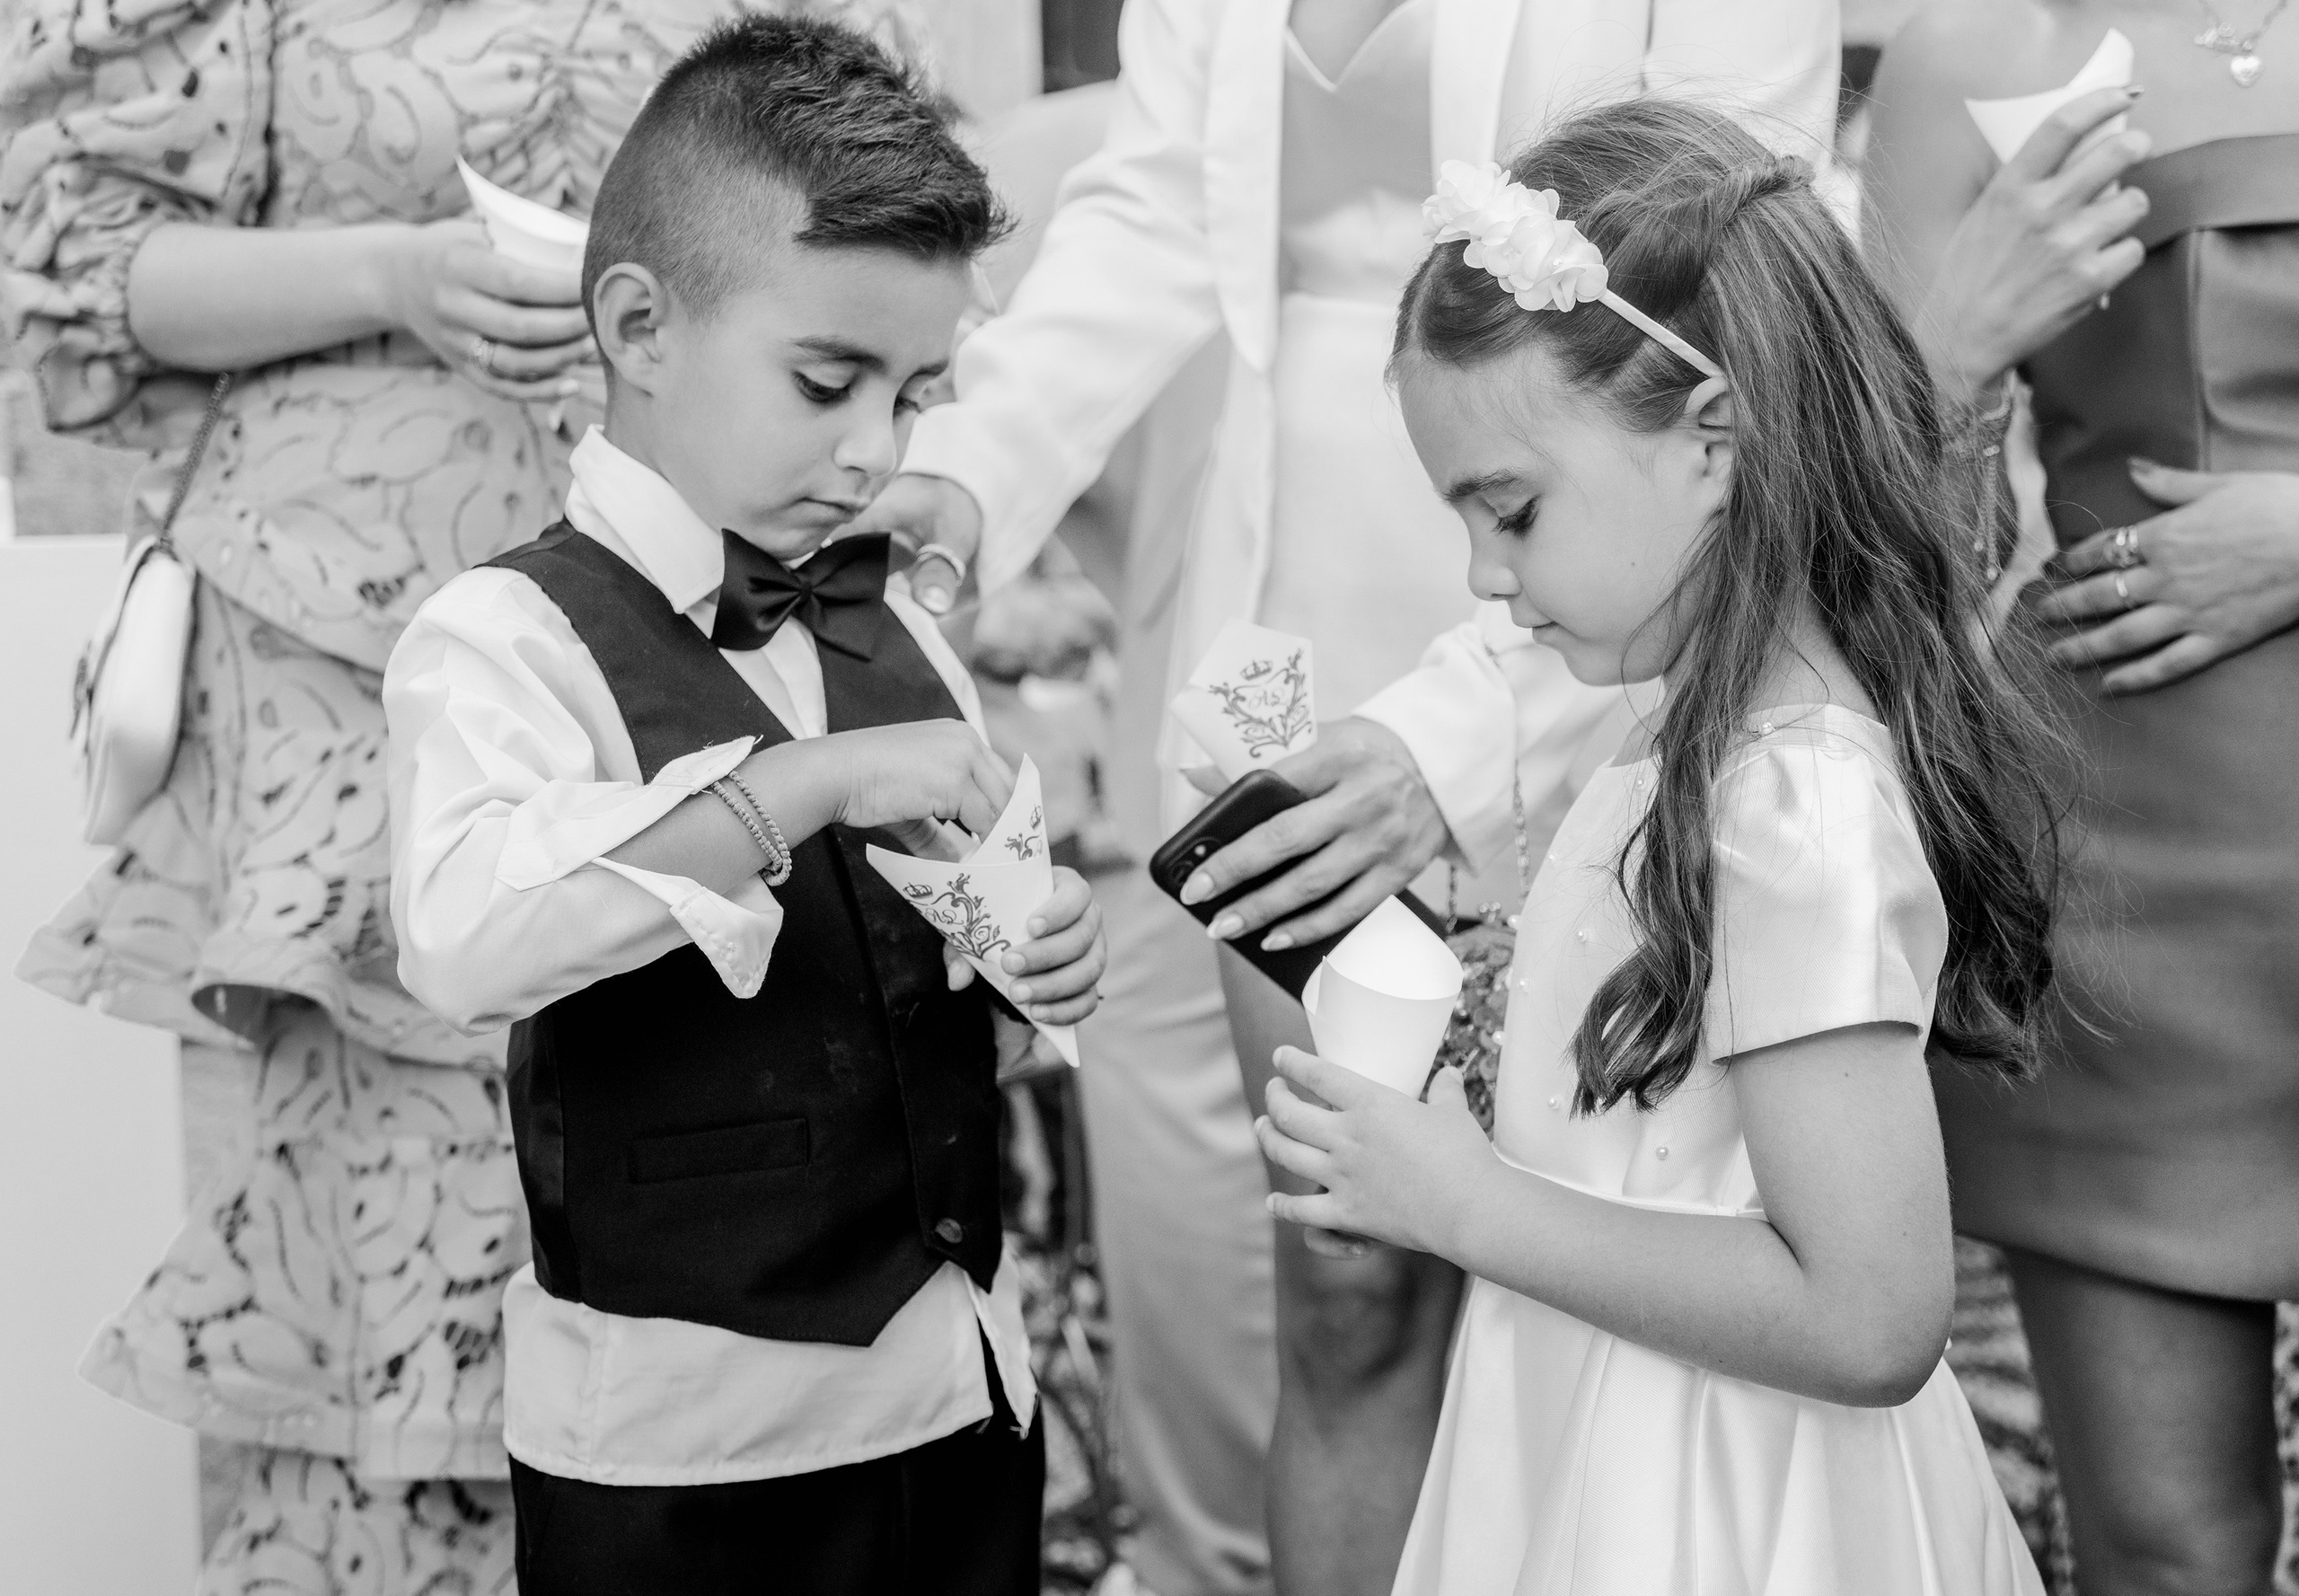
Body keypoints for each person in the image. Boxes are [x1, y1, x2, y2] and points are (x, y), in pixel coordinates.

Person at [851, 5, 1844, 1590]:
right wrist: (978, 469)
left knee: (1614, 1233)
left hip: (1603, 616)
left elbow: (1746, 265)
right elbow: (1158, 204)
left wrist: (1454, 740)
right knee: (1352, 1276)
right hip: (1289, 605)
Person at [1, 0, 931, 1583]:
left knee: (737, 1182)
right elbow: (65, 247)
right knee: (387, 1270)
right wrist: (390, 271)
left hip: (728, 643)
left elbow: (888, 252)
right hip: (344, 656)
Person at [1254, 99, 2062, 1593]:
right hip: (1612, 1413)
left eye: (1509, 510)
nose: (1483, 577)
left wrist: (1465, 1203)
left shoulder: (1790, 797)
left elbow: (1872, 1314)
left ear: (1717, 437)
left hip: (1714, 1502)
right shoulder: (1692, 719)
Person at [383, 19, 1106, 1593]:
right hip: (681, 1462)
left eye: (915, 399)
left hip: (950, 1403)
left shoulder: (896, 626)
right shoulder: (505, 639)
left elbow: (969, 900)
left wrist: (1041, 946)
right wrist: (805, 785)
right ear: (639, 323)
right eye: (828, 380)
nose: (874, 454)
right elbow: (466, 938)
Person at [1865, 6, 2299, 1591]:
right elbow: (1892, 565)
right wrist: (1955, 341)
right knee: (2167, 1545)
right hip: (2125, 884)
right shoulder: (1962, 53)